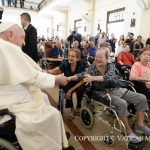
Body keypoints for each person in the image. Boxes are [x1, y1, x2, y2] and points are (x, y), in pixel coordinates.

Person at [0, 22, 74, 150]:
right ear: (10, 35)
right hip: (10, 102)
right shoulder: (6, 47)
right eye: (22, 38)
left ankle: (55, 137)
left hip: (10, 94)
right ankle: (53, 143)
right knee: (54, 114)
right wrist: (56, 79)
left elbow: (23, 73)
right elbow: (32, 76)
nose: (24, 43)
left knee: (44, 98)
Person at [68, 47, 150, 142]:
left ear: (107, 58)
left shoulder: (111, 66)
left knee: (142, 98)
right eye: (96, 57)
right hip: (101, 92)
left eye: (100, 57)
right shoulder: (92, 68)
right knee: (122, 103)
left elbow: (109, 77)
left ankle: (139, 125)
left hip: (116, 88)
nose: (97, 59)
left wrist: (93, 78)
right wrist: (69, 78)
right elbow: (81, 75)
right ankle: (128, 131)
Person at [48, 48, 85, 119]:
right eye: (69, 55)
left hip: (77, 83)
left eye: (73, 56)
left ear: (77, 58)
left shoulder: (81, 65)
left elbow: (82, 80)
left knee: (81, 88)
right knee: (66, 86)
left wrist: (71, 91)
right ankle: (71, 108)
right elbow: (55, 70)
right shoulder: (65, 62)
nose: (70, 58)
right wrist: (46, 71)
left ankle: (79, 106)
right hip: (67, 82)